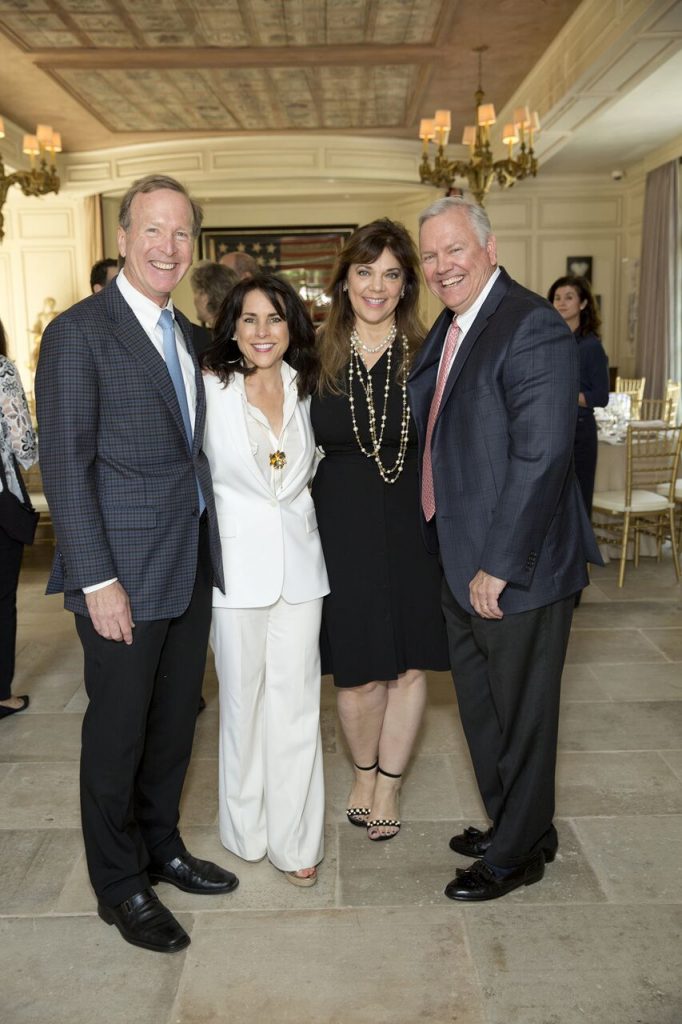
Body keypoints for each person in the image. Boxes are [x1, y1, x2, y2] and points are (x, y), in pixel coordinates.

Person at [35, 174, 238, 955]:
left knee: (172, 726)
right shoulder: (79, 333)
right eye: (153, 230)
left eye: (182, 233)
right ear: (123, 238)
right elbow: (66, 461)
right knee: (117, 734)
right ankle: (118, 886)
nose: (168, 246)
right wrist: (96, 579)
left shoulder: (187, 335)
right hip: (118, 573)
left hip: (186, 566)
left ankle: (162, 848)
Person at [409, 196, 602, 902]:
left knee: (522, 714)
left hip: (512, 568)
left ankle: (515, 855)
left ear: (488, 247)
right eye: (429, 256)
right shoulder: (457, 323)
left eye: (453, 250)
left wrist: (500, 562)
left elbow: (544, 454)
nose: (440, 266)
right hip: (459, 556)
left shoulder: (532, 325)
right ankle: (520, 826)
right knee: (485, 710)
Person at [311, 219, 449, 842]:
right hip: (339, 529)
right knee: (359, 671)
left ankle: (389, 782)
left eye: (391, 274)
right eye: (365, 271)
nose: (376, 286)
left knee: (412, 666)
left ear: (406, 286)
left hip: (413, 526)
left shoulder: (429, 353)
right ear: (344, 281)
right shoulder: (310, 356)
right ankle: (362, 771)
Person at [202, 273, 328, 886]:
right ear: (233, 326)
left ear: (291, 326)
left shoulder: (310, 387)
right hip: (234, 573)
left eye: (274, 319)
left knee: (298, 704)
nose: (261, 332)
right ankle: (245, 830)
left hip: (302, 570)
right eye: (249, 319)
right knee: (241, 704)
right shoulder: (210, 388)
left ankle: (296, 838)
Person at [0, 318, 38, 719]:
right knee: (1, 600)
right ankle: (0, 694)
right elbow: (23, 443)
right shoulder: (2, 370)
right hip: (0, 503)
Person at [548, 275, 610, 517]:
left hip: (580, 431)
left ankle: (579, 555)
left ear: (583, 304)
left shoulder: (591, 346)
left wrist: (565, 392)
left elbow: (601, 396)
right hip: (553, 429)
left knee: (579, 504)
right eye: (557, 298)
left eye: (569, 297)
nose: (561, 303)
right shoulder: (550, 341)